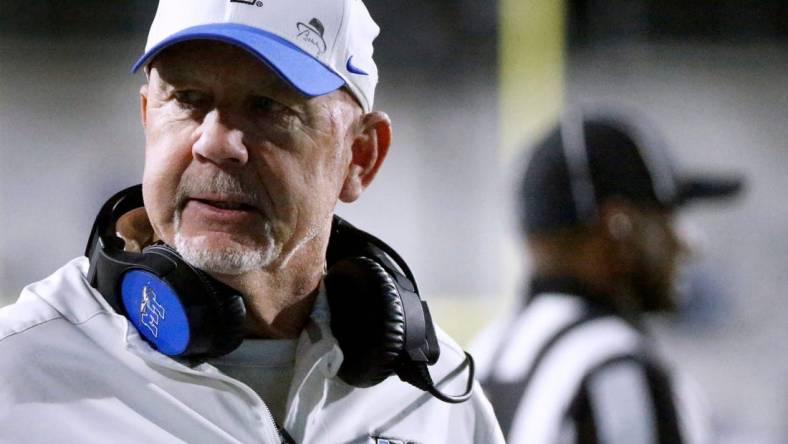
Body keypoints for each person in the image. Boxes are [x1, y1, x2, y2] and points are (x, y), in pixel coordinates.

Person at [0, 1, 505, 443]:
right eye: (187, 100)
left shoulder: (431, 401)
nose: (216, 143)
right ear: (147, 116)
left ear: (361, 156)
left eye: (268, 107)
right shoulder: (17, 376)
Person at [472, 108, 742, 444]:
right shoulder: (615, 370)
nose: (688, 244)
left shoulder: (479, 359)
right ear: (620, 225)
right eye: (667, 218)